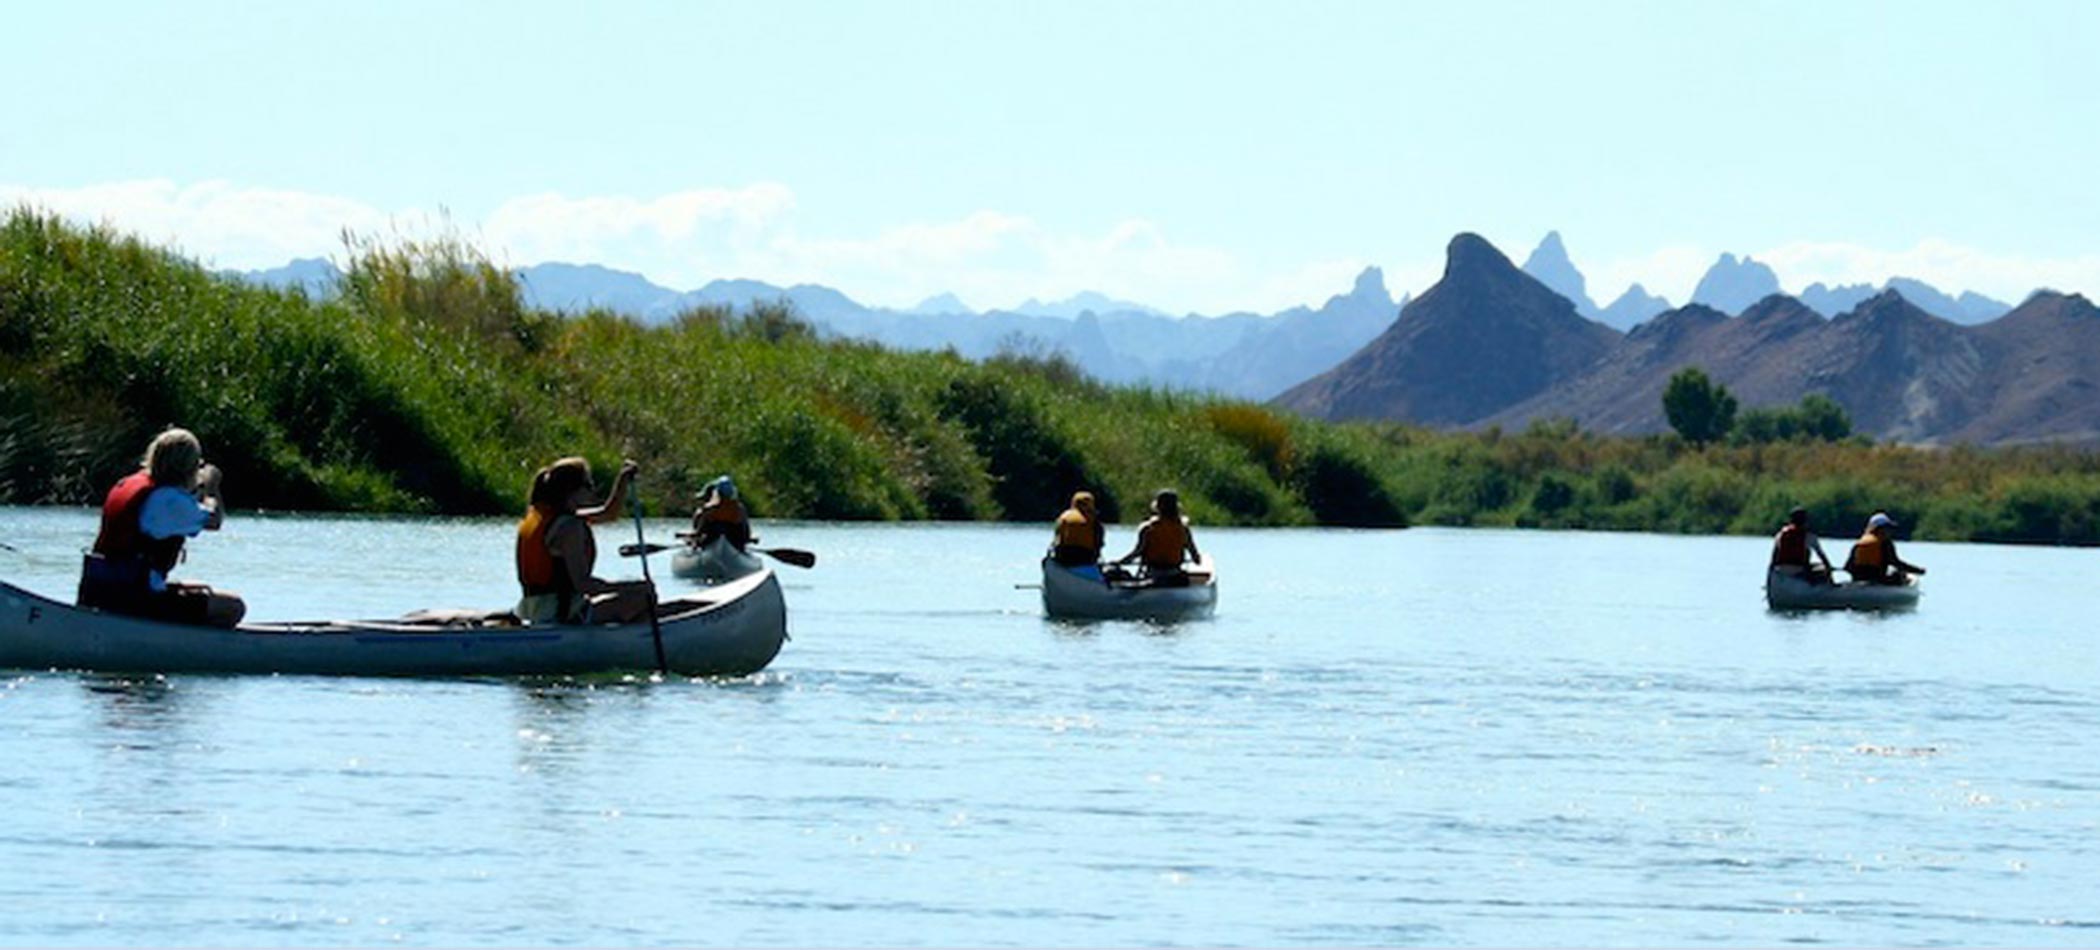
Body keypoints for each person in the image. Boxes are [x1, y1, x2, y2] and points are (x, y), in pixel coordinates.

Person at [77, 428, 246, 627]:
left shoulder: (131, 484)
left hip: (99, 590)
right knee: (233, 607)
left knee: (200, 587)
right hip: (133, 599)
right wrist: (211, 486)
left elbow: (185, 504)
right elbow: (214, 520)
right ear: (189, 467)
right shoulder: (168, 500)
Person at [515, 457, 653, 625]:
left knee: (640, 596)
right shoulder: (569, 529)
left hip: (538, 610)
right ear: (571, 491)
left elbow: (609, 513)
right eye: (588, 485)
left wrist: (623, 480)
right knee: (643, 596)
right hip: (562, 612)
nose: (592, 490)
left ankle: (635, 630)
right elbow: (584, 584)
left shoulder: (548, 517)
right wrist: (630, 587)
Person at [1115, 489, 1202, 585]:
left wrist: (1119, 563)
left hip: (1153, 575)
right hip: (1175, 576)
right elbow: (1196, 559)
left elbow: (1137, 553)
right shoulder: (1183, 529)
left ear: (1157, 507)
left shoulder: (1147, 528)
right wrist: (1196, 558)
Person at [1844, 511, 1927, 585]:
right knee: (1900, 575)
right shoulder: (1885, 543)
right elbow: (1895, 562)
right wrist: (1918, 571)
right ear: (1879, 529)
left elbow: (1848, 567)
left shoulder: (1859, 543)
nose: (1890, 531)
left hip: (1858, 581)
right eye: (1887, 528)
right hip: (1879, 580)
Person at [1769, 506, 1835, 585]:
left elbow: (1774, 557)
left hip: (1780, 569)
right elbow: (1821, 556)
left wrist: (1770, 576)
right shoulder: (1809, 536)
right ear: (1805, 521)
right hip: (1799, 569)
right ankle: (1830, 586)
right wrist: (1829, 568)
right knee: (1822, 568)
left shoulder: (1780, 534)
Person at [690, 475, 753, 551]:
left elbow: (699, 530)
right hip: (732, 540)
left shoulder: (708, 509)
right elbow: (746, 531)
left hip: (722, 538)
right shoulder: (740, 509)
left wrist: (696, 537)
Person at [1048, 491, 1105, 573]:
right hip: (1087, 559)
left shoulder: (1064, 517)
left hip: (1064, 558)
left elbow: (1057, 539)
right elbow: (1099, 543)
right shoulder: (1094, 521)